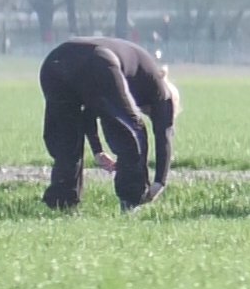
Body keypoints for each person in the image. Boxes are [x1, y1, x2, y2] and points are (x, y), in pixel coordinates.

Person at [38, 37, 179, 210]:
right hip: (98, 60)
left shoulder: (132, 81)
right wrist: (159, 183)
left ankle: (62, 205)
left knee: (66, 139)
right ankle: (131, 202)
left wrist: (98, 151)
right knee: (132, 132)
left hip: (55, 61)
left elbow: (88, 112)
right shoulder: (161, 91)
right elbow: (164, 133)